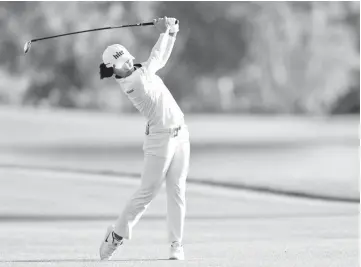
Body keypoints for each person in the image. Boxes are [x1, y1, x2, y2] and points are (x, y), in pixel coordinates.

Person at [98, 17, 190, 261]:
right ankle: (116, 235)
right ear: (112, 69)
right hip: (160, 139)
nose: (127, 62)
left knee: (177, 189)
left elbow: (156, 60)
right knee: (147, 193)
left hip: (181, 134)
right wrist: (165, 32)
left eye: (127, 57)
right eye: (120, 62)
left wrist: (171, 32)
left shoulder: (139, 70)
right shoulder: (132, 82)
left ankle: (176, 244)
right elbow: (156, 60)